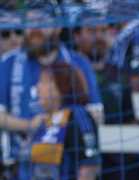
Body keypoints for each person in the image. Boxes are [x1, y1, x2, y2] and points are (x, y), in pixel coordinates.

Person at [0, 4, 103, 167]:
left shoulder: (78, 63)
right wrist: (30, 125)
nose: (34, 29)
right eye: (29, 22)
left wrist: (55, 123)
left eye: (41, 21)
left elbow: (96, 114)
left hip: (67, 162)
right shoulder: (8, 63)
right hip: (18, 163)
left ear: (58, 26)